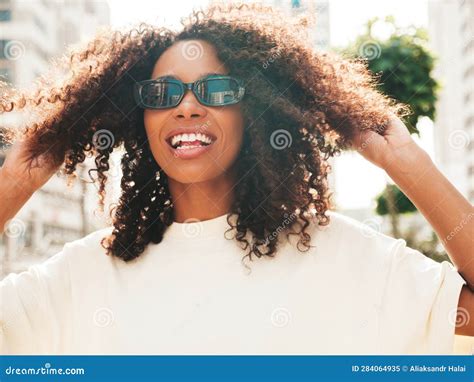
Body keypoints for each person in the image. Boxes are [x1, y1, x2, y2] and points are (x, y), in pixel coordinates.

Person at [0, 3, 472, 355]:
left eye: (217, 89)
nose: (186, 106)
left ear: (254, 113)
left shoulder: (343, 253)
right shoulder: (81, 276)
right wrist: (15, 181)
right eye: (162, 93)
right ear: (139, 118)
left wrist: (408, 163)